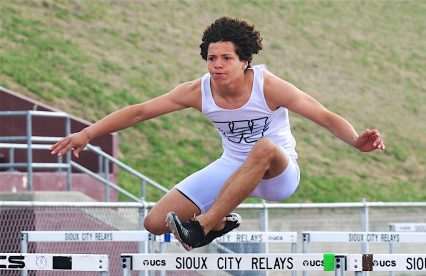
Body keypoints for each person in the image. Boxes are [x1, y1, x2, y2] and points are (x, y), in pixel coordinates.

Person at [50, 16, 385, 251]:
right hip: (233, 168)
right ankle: (219, 222)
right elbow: (140, 111)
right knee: (155, 222)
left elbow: (324, 115)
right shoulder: (198, 91)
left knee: (264, 146)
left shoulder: (269, 87)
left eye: (226, 58)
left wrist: (356, 141)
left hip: (277, 173)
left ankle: (207, 223)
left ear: (244, 62)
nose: (217, 65)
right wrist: (88, 133)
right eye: (211, 58)